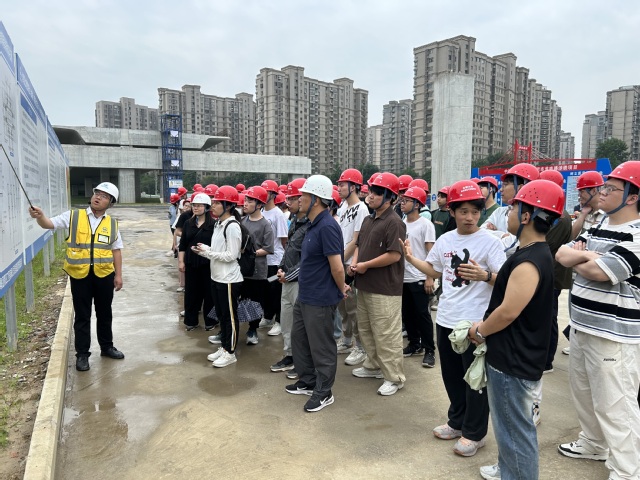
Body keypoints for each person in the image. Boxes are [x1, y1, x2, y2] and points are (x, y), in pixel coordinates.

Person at [469, 179, 564, 480]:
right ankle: (507, 469)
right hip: (517, 355)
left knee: (515, 429)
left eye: (513, 208)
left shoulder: (529, 261)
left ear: (526, 216)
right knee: (509, 427)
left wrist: (480, 331)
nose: (508, 214)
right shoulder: (535, 253)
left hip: (513, 360)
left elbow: (508, 311)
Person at [403, 180, 506, 457]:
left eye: (475, 211)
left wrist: (485, 275)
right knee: (451, 377)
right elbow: (435, 270)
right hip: (446, 319)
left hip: (474, 324)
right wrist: (411, 259)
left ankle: (475, 433)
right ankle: (457, 421)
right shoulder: (446, 240)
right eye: (463, 211)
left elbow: (506, 280)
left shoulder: (490, 242)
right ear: (452, 212)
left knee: (475, 380)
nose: (470, 217)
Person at [556, 161, 640, 480]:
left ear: (632, 196)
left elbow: (598, 272)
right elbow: (562, 254)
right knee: (584, 392)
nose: (601, 192)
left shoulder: (637, 234)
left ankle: (627, 470)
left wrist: (584, 258)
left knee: (616, 404)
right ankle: (593, 443)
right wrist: (589, 256)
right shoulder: (599, 223)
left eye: (610, 188)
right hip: (582, 325)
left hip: (613, 334)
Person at [29, 182, 124, 372]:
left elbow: (116, 250)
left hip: (104, 275)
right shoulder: (74, 216)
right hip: (80, 275)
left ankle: (107, 347)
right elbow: (49, 224)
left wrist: (119, 275)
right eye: (97, 193)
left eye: (104, 196)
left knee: (105, 313)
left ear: (111, 203)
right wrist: (40, 217)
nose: (98, 197)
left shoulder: (112, 224)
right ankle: (82, 354)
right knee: (82, 315)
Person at [285, 175, 346, 413]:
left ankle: (324, 391)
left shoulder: (328, 227)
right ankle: (309, 381)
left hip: (320, 298)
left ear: (317, 200)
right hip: (306, 295)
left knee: (322, 346)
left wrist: (341, 288)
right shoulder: (312, 224)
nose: (299, 199)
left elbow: (337, 267)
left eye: (304, 195)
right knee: (299, 339)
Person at [349, 172, 407, 396]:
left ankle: (394, 377)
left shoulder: (394, 222)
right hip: (365, 284)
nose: (370, 196)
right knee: (366, 329)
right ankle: (373, 365)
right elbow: (359, 246)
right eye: (370, 191)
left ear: (390, 197)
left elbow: (394, 255)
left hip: (385, 288)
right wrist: (355, 263)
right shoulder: (368, 220)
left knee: (386, 334)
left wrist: (365, 265)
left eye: (377, 193)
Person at [193, 186, 243, 368]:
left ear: (228, 206)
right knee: (222, 315)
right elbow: (218, 250)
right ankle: (224, 347)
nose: (212, 206)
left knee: (230, 317)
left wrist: (207, 253)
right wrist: (206, 249)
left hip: (229, 279)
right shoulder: (218, 224)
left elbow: (231, 255)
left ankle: (230, 352)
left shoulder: (232, 226)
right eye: (212, 202)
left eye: (216, 203)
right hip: (217, 277)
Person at [270, 178, 311, 373]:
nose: (288, 202)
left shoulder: (311, 225)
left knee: (300, 325)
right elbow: (289, 250)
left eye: (293, 198)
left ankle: (302, 361)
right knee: (287, 322)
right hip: (287, 278)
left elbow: (309, 259)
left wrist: (290, 274)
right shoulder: (295, 220)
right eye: (288, 198)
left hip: (300, 281)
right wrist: (281, 268)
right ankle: (290, 355)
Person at [335, 168, 370, 366]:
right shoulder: (342, 208)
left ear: (354, 187)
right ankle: (346, 339)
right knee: (343, 305)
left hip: (350, 265)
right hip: (340, 263)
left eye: (342, 184)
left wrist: (341, 261)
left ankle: (360, 346)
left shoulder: (361, 209)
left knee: (354, 308)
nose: (339, 188)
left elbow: (357, 240)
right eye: (339, 184)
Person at [399, 185, 437, 368]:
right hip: (403, 277)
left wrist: (430, 277)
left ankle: (429, 350)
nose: (402, 203)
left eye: (406, 201)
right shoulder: (402, 223)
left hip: (420, 276)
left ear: (416, 204)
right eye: (402, 200)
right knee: (407, 314)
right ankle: (414, 344)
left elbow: (431, 253)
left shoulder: (425, 225)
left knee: (422, 315)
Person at [241, 186, 274, 344]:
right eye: (245, 200)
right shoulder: (242, 221)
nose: (245, 203)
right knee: (242, 298)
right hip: (241, 269)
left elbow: (268, 248)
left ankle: (252, 329)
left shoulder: (265, 225)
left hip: (257, 270)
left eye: (250, 201)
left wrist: (251, 253)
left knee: (255, 300)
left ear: (259, 205)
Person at [178, 193, 216, 331]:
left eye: (199, 205)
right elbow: (183, 245)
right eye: (194, 205)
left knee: (209, 294)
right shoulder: (188, 223)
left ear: (207, 207)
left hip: (208, 264)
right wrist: (181, 262)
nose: (196, 207)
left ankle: (210, 321)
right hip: (191, 263)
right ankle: (191, 321)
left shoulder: (214, 225)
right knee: (191, 293)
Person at [258, 179, 288, 337]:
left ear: (273, 195)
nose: (264, 195)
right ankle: (268, 317)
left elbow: (283, 240)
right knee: (266, 290)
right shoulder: (261, 211)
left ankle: (279, 321)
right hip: (263, 261)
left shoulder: (278, 214)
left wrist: (283, 261)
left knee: (276, 290)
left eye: (267, 192)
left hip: (275, 261)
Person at [570, 170, 607, 240]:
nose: (579, 195)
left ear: (594, 191)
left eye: (582, 191)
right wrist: (582, 215)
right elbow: (570, 237)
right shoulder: (585, 211)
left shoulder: (607, 214)